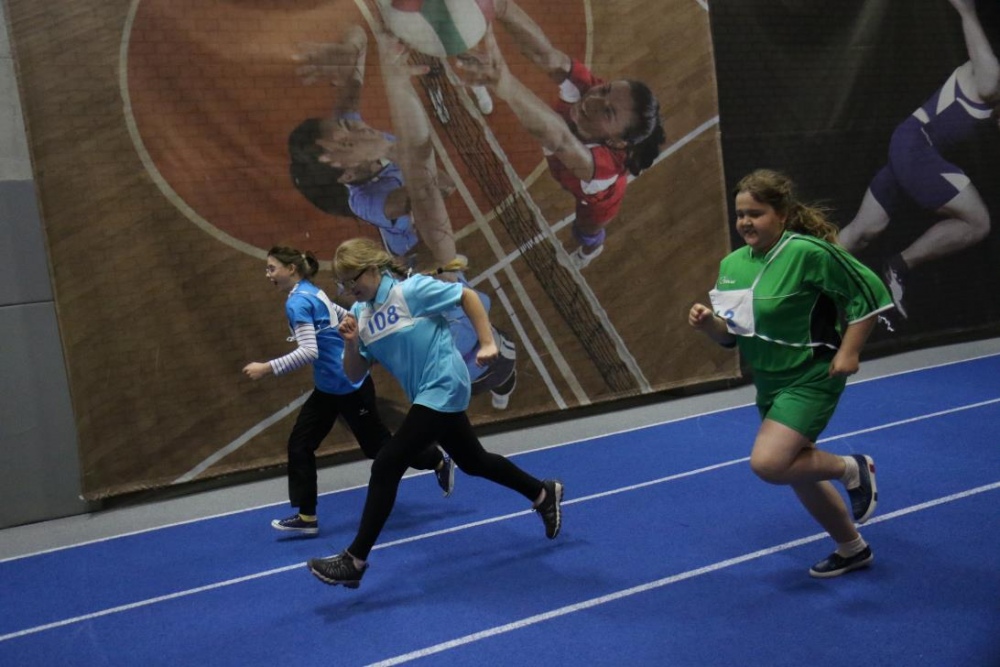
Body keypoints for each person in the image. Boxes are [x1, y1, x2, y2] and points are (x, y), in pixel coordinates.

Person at [306, 238, 562, 588]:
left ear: (373, 269)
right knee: (474, 461)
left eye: (353, 280)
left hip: (445, 382)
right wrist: (351, 344)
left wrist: (488, 342)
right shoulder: (362, 317)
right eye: (344, 284)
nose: (350, 289)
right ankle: (543, 493)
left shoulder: (410, 291)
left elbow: (467, 296)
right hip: (426, 395)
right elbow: (354, 373)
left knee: (387, 463)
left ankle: (355, 560)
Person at [688, 169, 893, 578]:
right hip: (768, 382)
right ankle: (852, 547)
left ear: (781, 214)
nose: (745, 222)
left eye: (756, 213)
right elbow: (732, 336)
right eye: (740, 214)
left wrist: (850, 351)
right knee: (798, 470)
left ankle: (851, 468)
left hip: (811, 376)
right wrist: (709, 324)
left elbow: (870, 294)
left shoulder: (808, 252)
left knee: (769, 463)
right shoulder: (731, 265)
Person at [242, 246, 455, 536]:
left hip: (350, 386)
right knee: (300, 444)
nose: (268, 274)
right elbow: (343, 314)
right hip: (328, 388)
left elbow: (308, 351)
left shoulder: (299, 302)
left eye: (271, 268)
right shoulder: (310, 291)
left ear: (291, 269)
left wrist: (266, 368)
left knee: (379, 448)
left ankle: (436, 459)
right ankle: (307, 516)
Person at [454, 0, 666, 269]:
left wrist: (503, 82)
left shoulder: (602, 169)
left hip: (596, 202)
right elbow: (546, 55)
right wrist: (500, 7)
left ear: (616, 142)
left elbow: (558, 137)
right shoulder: (588, 90)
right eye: (605, 89)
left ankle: (590, 251)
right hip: (567, 170)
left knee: (584, 230)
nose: (593, 100)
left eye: (608, 112)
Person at [838, 0, 999, 319]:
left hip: (910, 148)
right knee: (978, 222)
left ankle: (799, 281)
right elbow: (988, 82)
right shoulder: (990, 74)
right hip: (915, 146)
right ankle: (898, 265)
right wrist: (966, 11)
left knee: (864, 230)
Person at [289, 25, 460, 268]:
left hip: (430, 225)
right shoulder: (369, 202)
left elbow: (357, 32)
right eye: (348, 143)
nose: (358, 128)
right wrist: (386, 148)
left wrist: (349, 51)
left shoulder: (352, 127)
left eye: (344, 124)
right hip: (419, 252)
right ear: (347, 174)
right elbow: (442, 186)